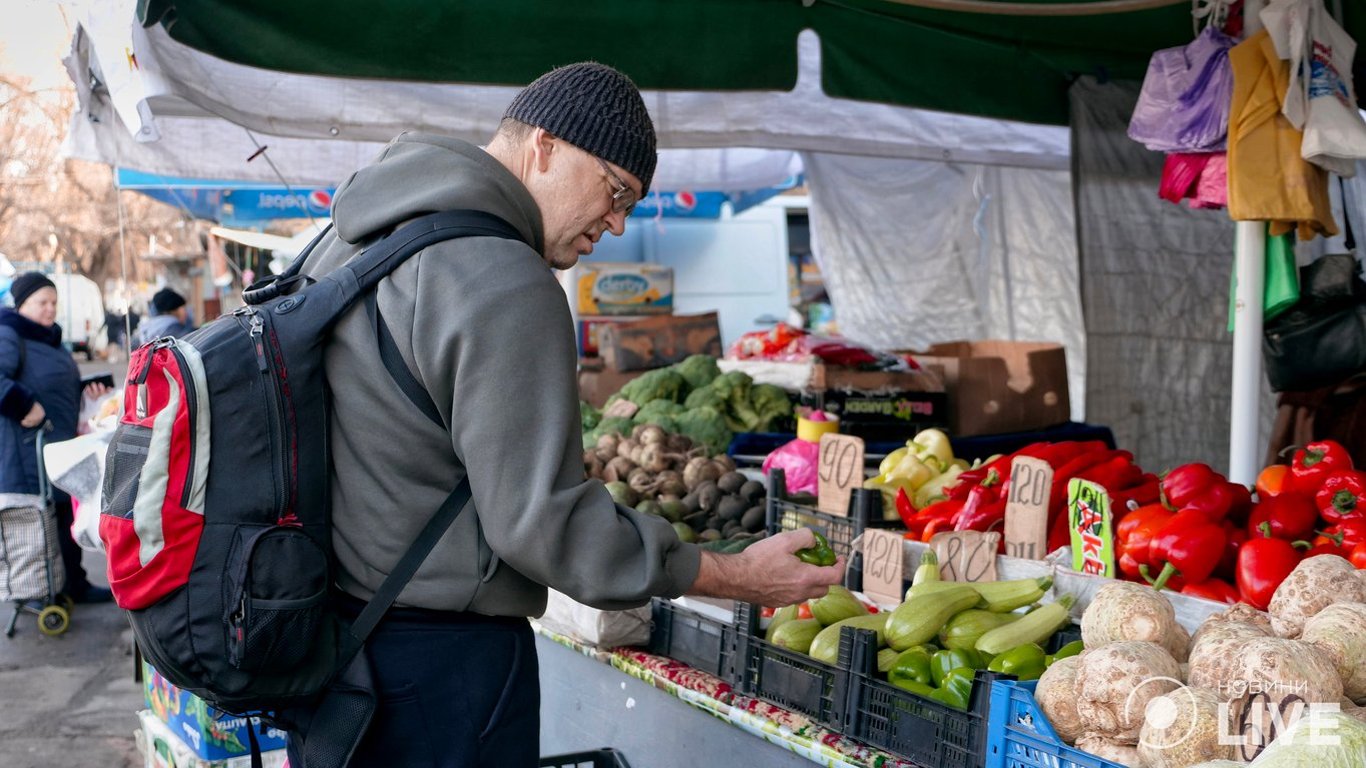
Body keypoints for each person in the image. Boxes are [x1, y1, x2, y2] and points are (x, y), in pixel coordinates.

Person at [294, 62, 841, 767]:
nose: (615, 224)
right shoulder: (504, 277)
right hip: (436, 670)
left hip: (336, 646)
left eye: (630, 205)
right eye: (615, 192)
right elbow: (542, 524)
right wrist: (733, 575)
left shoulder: (352, 234)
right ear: (544, 146)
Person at [0, 272, 111, 603]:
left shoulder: (50, 340)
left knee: (65, 515)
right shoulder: (9, 334)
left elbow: (48, 384)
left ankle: (72, 583)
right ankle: (39, 591)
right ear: (22, 305)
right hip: (25, 446)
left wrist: (85, 390)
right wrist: (24, 403)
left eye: (53, 303)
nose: (50, 310)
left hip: (58, 443)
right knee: (37, 522)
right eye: (41, 303)